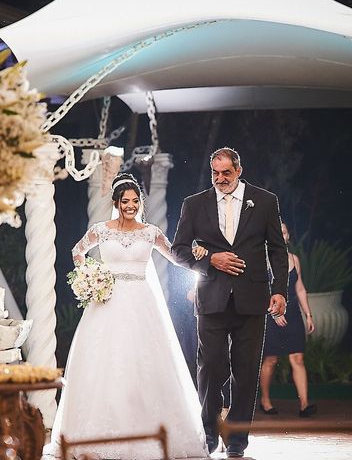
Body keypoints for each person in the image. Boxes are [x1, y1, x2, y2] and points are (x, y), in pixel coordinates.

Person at [43, 173, 209, 459]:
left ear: (140, 203)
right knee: (105, 363)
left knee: (143, 362)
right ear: (117, 203)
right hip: (106, 302)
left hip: (142, 304)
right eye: (125, 202)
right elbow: (77, 251)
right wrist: (89, 277)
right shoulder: (101, 230)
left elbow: (174, 256)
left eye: (134, 201)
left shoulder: (151, 232)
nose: (130, 206)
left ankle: (152, 430)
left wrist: (197, 255)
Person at [172, 147, 288, 458]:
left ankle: (237, 439)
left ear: (238, 171)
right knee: (210, 367)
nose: (220, 179)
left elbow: (277, 250)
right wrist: (211, 259)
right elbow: (179, 250)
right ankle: (210, 432)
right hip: (211, 298)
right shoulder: (194, 204)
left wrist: (280, 290)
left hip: (253, 299)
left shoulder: (264, 201)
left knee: (246, 370)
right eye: (215, 173)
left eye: (226, 173)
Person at [259, 222, 317, 417]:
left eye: (283, 231)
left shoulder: (294, 259)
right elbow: (258, 292)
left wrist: (308, 314)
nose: (280, 235)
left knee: (298, 358)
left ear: (287, 236)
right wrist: (274, 313)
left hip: (292, 314)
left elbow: (299, 288)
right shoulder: (261, 261)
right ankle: (265, 401)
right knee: (270, 359)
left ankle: (305, 405)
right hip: (270, 314)